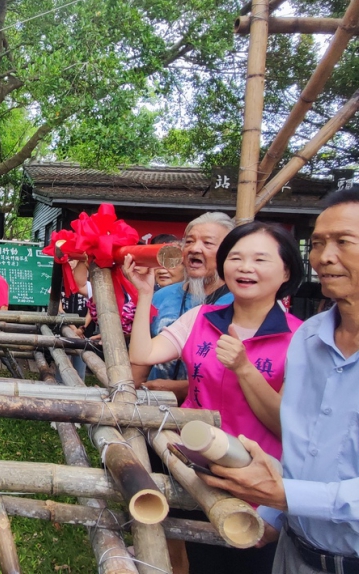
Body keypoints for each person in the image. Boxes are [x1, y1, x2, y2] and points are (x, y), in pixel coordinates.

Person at [126, 221, 305, 574]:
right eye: (236, 258)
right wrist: (144, 293)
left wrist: (243, 367)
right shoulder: (201, 318)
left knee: (248, 563)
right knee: (199, 560)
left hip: (256, 482)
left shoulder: (301, 338)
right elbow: (144, 354)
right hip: (193, 469)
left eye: (260, 259)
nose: (245, 267)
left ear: (286, 271)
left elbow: (288, 427)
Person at [204, 187, 359, 574]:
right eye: (318, 243)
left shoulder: (291, 333)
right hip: (293, 552)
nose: (325, 257)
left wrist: (286, 496)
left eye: (344, 242)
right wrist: (273, 514)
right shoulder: (309, 339)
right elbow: (303, 447)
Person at [143, 212, 236, 403]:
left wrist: (184, 389)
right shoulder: (161, 296)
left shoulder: (239, 303)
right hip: (152, 410)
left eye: (208, 243)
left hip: (209, 418)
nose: (195, 248)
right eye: (189, 242)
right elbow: (142, 357)